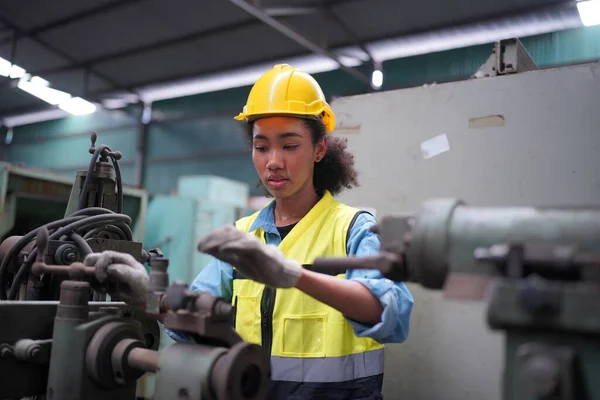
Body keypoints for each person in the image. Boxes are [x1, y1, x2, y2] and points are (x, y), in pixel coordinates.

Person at [85, 64, 414, 400]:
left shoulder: (354, 228)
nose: (273, 161)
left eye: (289, 146)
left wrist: (293, 275)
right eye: (262, 147)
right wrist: (146, 297)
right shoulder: (243, 235)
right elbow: (193, 318)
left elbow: (389, 312)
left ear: (319, 149)